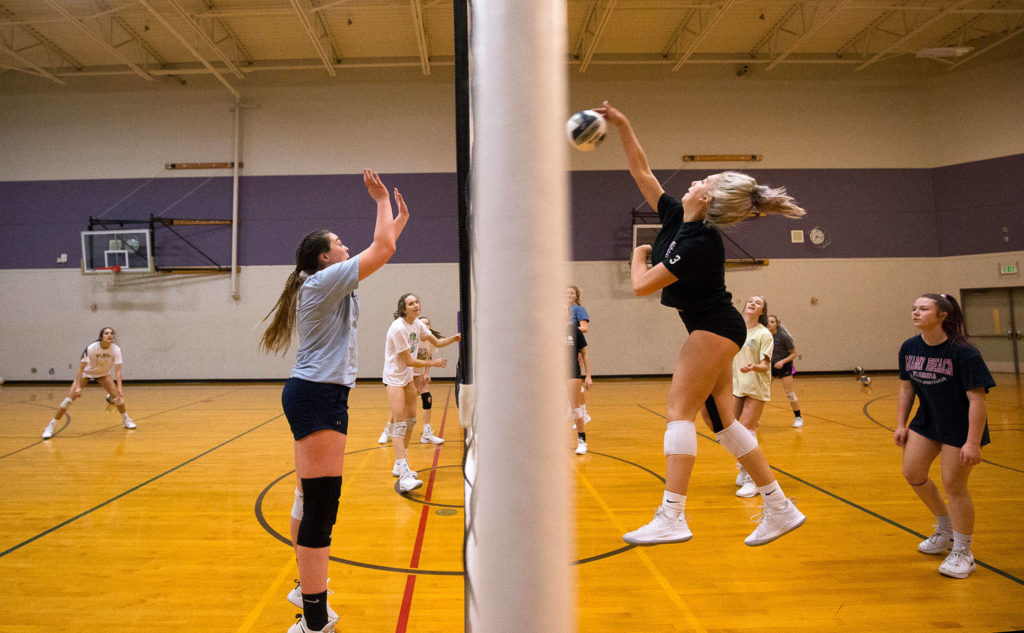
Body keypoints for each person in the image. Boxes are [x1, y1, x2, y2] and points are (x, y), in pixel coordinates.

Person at [596, 100, 807, 547]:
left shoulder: (698, 243)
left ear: (706, 199)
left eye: (701, 181)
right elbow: (642, 172)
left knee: (678, 414)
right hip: (713, 327)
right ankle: (779, 507)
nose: (692, 182)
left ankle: (672, 515)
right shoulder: (678, 216)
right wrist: (624, 125)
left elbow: (641, 286)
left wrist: (637, 257)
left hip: (714, 326)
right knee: (725, 425)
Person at [259, 169, 407, 633]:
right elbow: (382, 251)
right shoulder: (323, 283)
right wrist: (381, 202)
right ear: (326, 257)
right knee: (322, 506)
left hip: (313, 394)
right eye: (340, 244)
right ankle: (315, 618)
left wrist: (397, 218)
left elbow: (382, 247)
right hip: (318, 396)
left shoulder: (322, 280)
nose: (347, 248)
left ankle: (303, 590)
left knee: (309, 496)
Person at [894, 293, 994, 579]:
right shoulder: (909, 347)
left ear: (942, 317)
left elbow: (977, 400)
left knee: (955, 486)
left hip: (960, 428)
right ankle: (945, 530)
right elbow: (906, 388)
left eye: (923, 309)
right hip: (927, 421)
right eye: (914, 308)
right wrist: (901, 424)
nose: (915, 312)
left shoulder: (964, 352)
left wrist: (973, 442)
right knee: (913, 473)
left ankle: (964, 552)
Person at [383, 293, 459, 492]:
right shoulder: (398, 328)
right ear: (403, 308)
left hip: (407, 378)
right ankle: (405, 475)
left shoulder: (417, 324)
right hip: (394, 378)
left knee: (411, 421)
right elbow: (409, 361)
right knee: (399, 424)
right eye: (411, 303)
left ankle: (401, 463)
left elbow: (436, 342)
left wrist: (455, 338)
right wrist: (432, 363)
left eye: (416, 302)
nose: (415, 305)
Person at [42, 326, 135, 439]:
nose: (109, 335)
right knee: (69, 399)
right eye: (106, 333)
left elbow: (118, 370)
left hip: (103, 374)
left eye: (111, 333)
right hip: (86, 374)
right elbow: (81, 368)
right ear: (101, 336)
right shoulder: (91, 348)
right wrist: (78, 388)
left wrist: (119, 387)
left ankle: (125, 420)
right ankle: (51, 426)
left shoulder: (116, 350)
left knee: (118, 398)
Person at [378, 315, 450, 445]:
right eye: (423, 324)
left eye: (428, 324)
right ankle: (387, 431)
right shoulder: (411, 339)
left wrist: (426, 374)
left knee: (427, 398)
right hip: (408, 373)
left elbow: (428, 358)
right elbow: (409, 360)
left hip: (419, 374)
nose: (426, 326)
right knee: (401, 407)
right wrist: (433, 364)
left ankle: (427, 433)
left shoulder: (430, 342)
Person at [732, 296, 773, 498]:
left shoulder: (764, 334)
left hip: (756, 386)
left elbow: (765, 365)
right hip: (737, 386)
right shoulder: (737, 329)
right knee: (732, 430)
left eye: (758, 303)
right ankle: (744, 467)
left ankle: (754, 480)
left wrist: (754, 367)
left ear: (762, 312)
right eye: (750, 301)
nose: (752, 303)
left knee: (747, 430)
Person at [767, 314, 803, 428]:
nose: (769, 324)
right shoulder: (765, 335)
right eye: (768, 322)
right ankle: (755, 419)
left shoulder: (784, 336)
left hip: (785, 365)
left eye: (772, 322)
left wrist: (782, 362)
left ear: (777, 324)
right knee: (762, 392)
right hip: (770, 366)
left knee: (789, 393)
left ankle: (798, 417)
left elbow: (794, 354)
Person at [567, 285, 593, 426]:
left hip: (574, 349)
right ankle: (578, 413)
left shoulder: (578, 309)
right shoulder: (562, 310)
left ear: (576, 296)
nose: (569, 295)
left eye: (571, 293)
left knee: (576, 383)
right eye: (566, 293)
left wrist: (569, 329)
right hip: (564, 349)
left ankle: (583, 413)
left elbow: (584, 328)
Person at [567, 322, 593, 455]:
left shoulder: (574, 331)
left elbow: (584, 354)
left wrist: (588, 375)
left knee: (576, 408)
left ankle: (582, 440)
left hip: (572, 373)